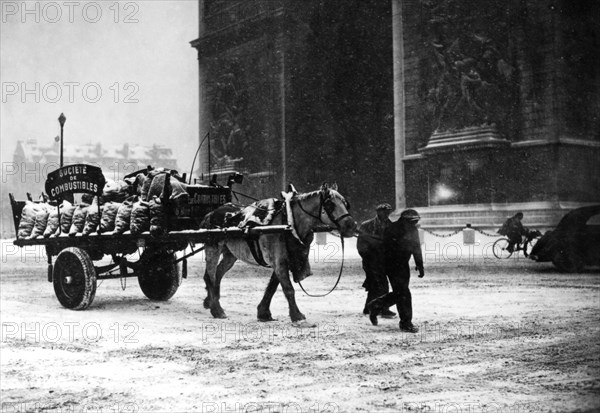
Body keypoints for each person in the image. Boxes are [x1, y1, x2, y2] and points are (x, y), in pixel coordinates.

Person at [367, 209, 424, 333]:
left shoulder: (410, 229)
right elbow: (382, 250)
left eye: (416, 221)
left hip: (402, 265)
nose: (414, 224)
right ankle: (405, 323)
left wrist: (420, 265)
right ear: (405, 220)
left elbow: (416, 248)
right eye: (412, 221)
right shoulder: (391, 229)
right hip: (392, 265)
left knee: (400, 293)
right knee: (404, 293)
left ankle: (376, 305)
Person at [356, 203, 396, 318]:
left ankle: (373, 307)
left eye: (388, 212)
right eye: (384, 211)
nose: (387, 214)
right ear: (378, 212)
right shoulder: (366, 225)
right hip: (371, 261)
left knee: (380, 284)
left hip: (384, 261)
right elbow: (361, 246)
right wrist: (369, 257)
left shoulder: (391, 226)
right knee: (376, 284)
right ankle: (378, 308)